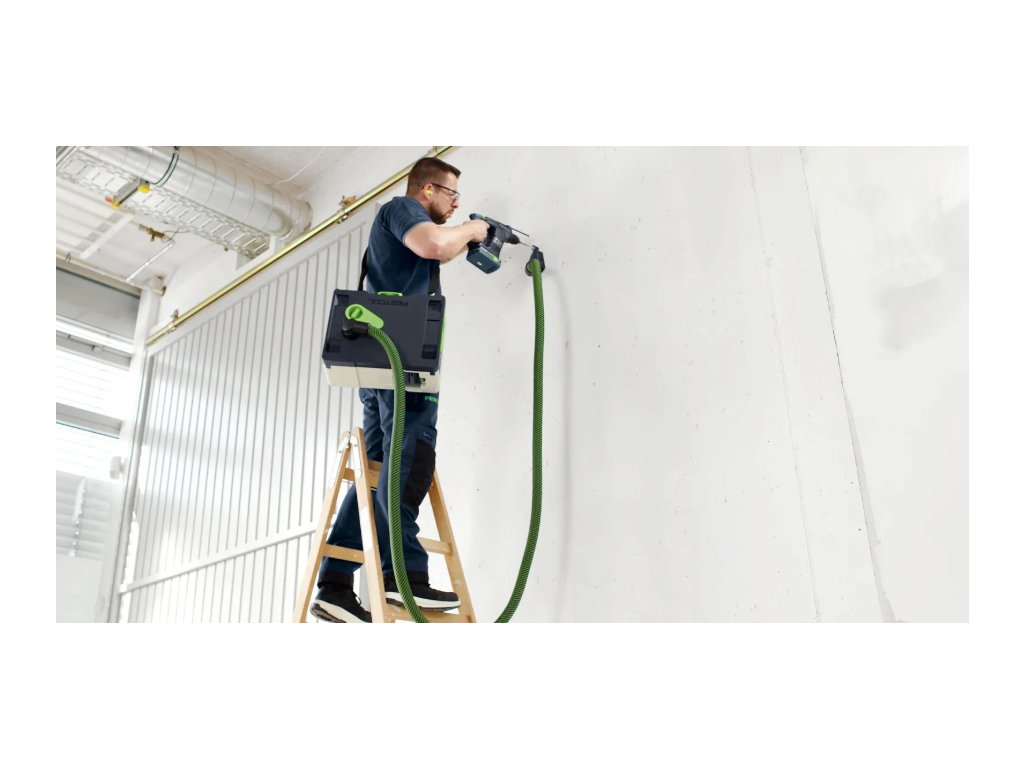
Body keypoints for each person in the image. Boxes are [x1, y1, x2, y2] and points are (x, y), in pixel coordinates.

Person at [311, 156, 490, 623]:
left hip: (384, 365)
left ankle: (335, 584)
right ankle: (402, 577)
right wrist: (474, 229)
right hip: (401, 364)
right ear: (426, 190)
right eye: (451, 194)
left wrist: (469, 237)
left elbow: (438, 251)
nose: (455, 204)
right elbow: (434, 244)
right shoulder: (401, 209)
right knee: (410, 460)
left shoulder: (399, 227)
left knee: (376, 471)